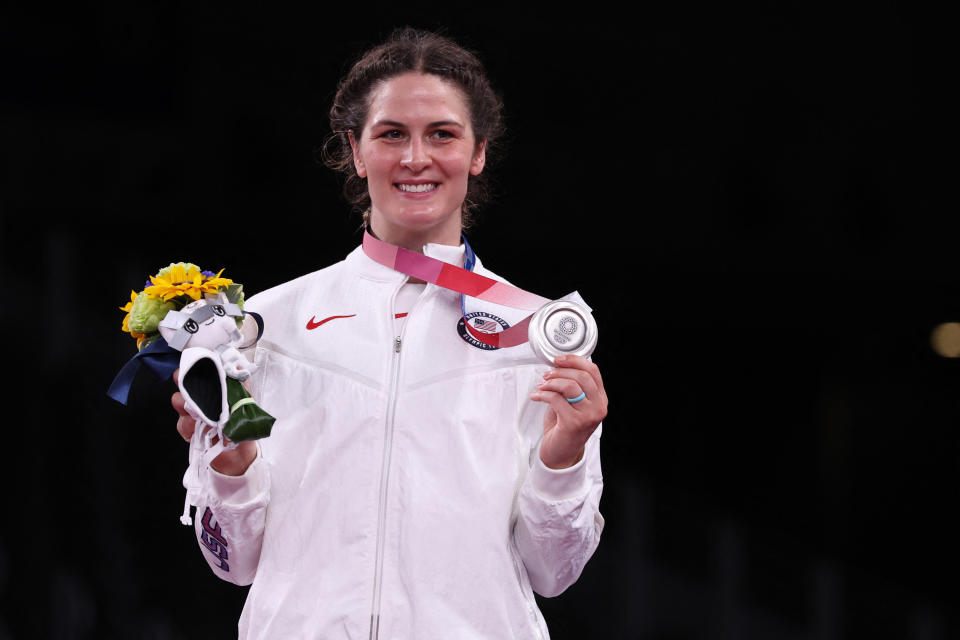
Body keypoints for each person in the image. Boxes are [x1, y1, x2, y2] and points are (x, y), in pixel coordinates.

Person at [172, 27, 608, 640]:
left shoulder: (534, 333)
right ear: (356, 150)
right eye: (391, 134)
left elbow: (554, 574)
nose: (415, 158)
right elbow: (232, 563)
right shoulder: (266, 328)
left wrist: (563, 461)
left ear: (478, 152)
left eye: (442, 135)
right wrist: (230, 463)